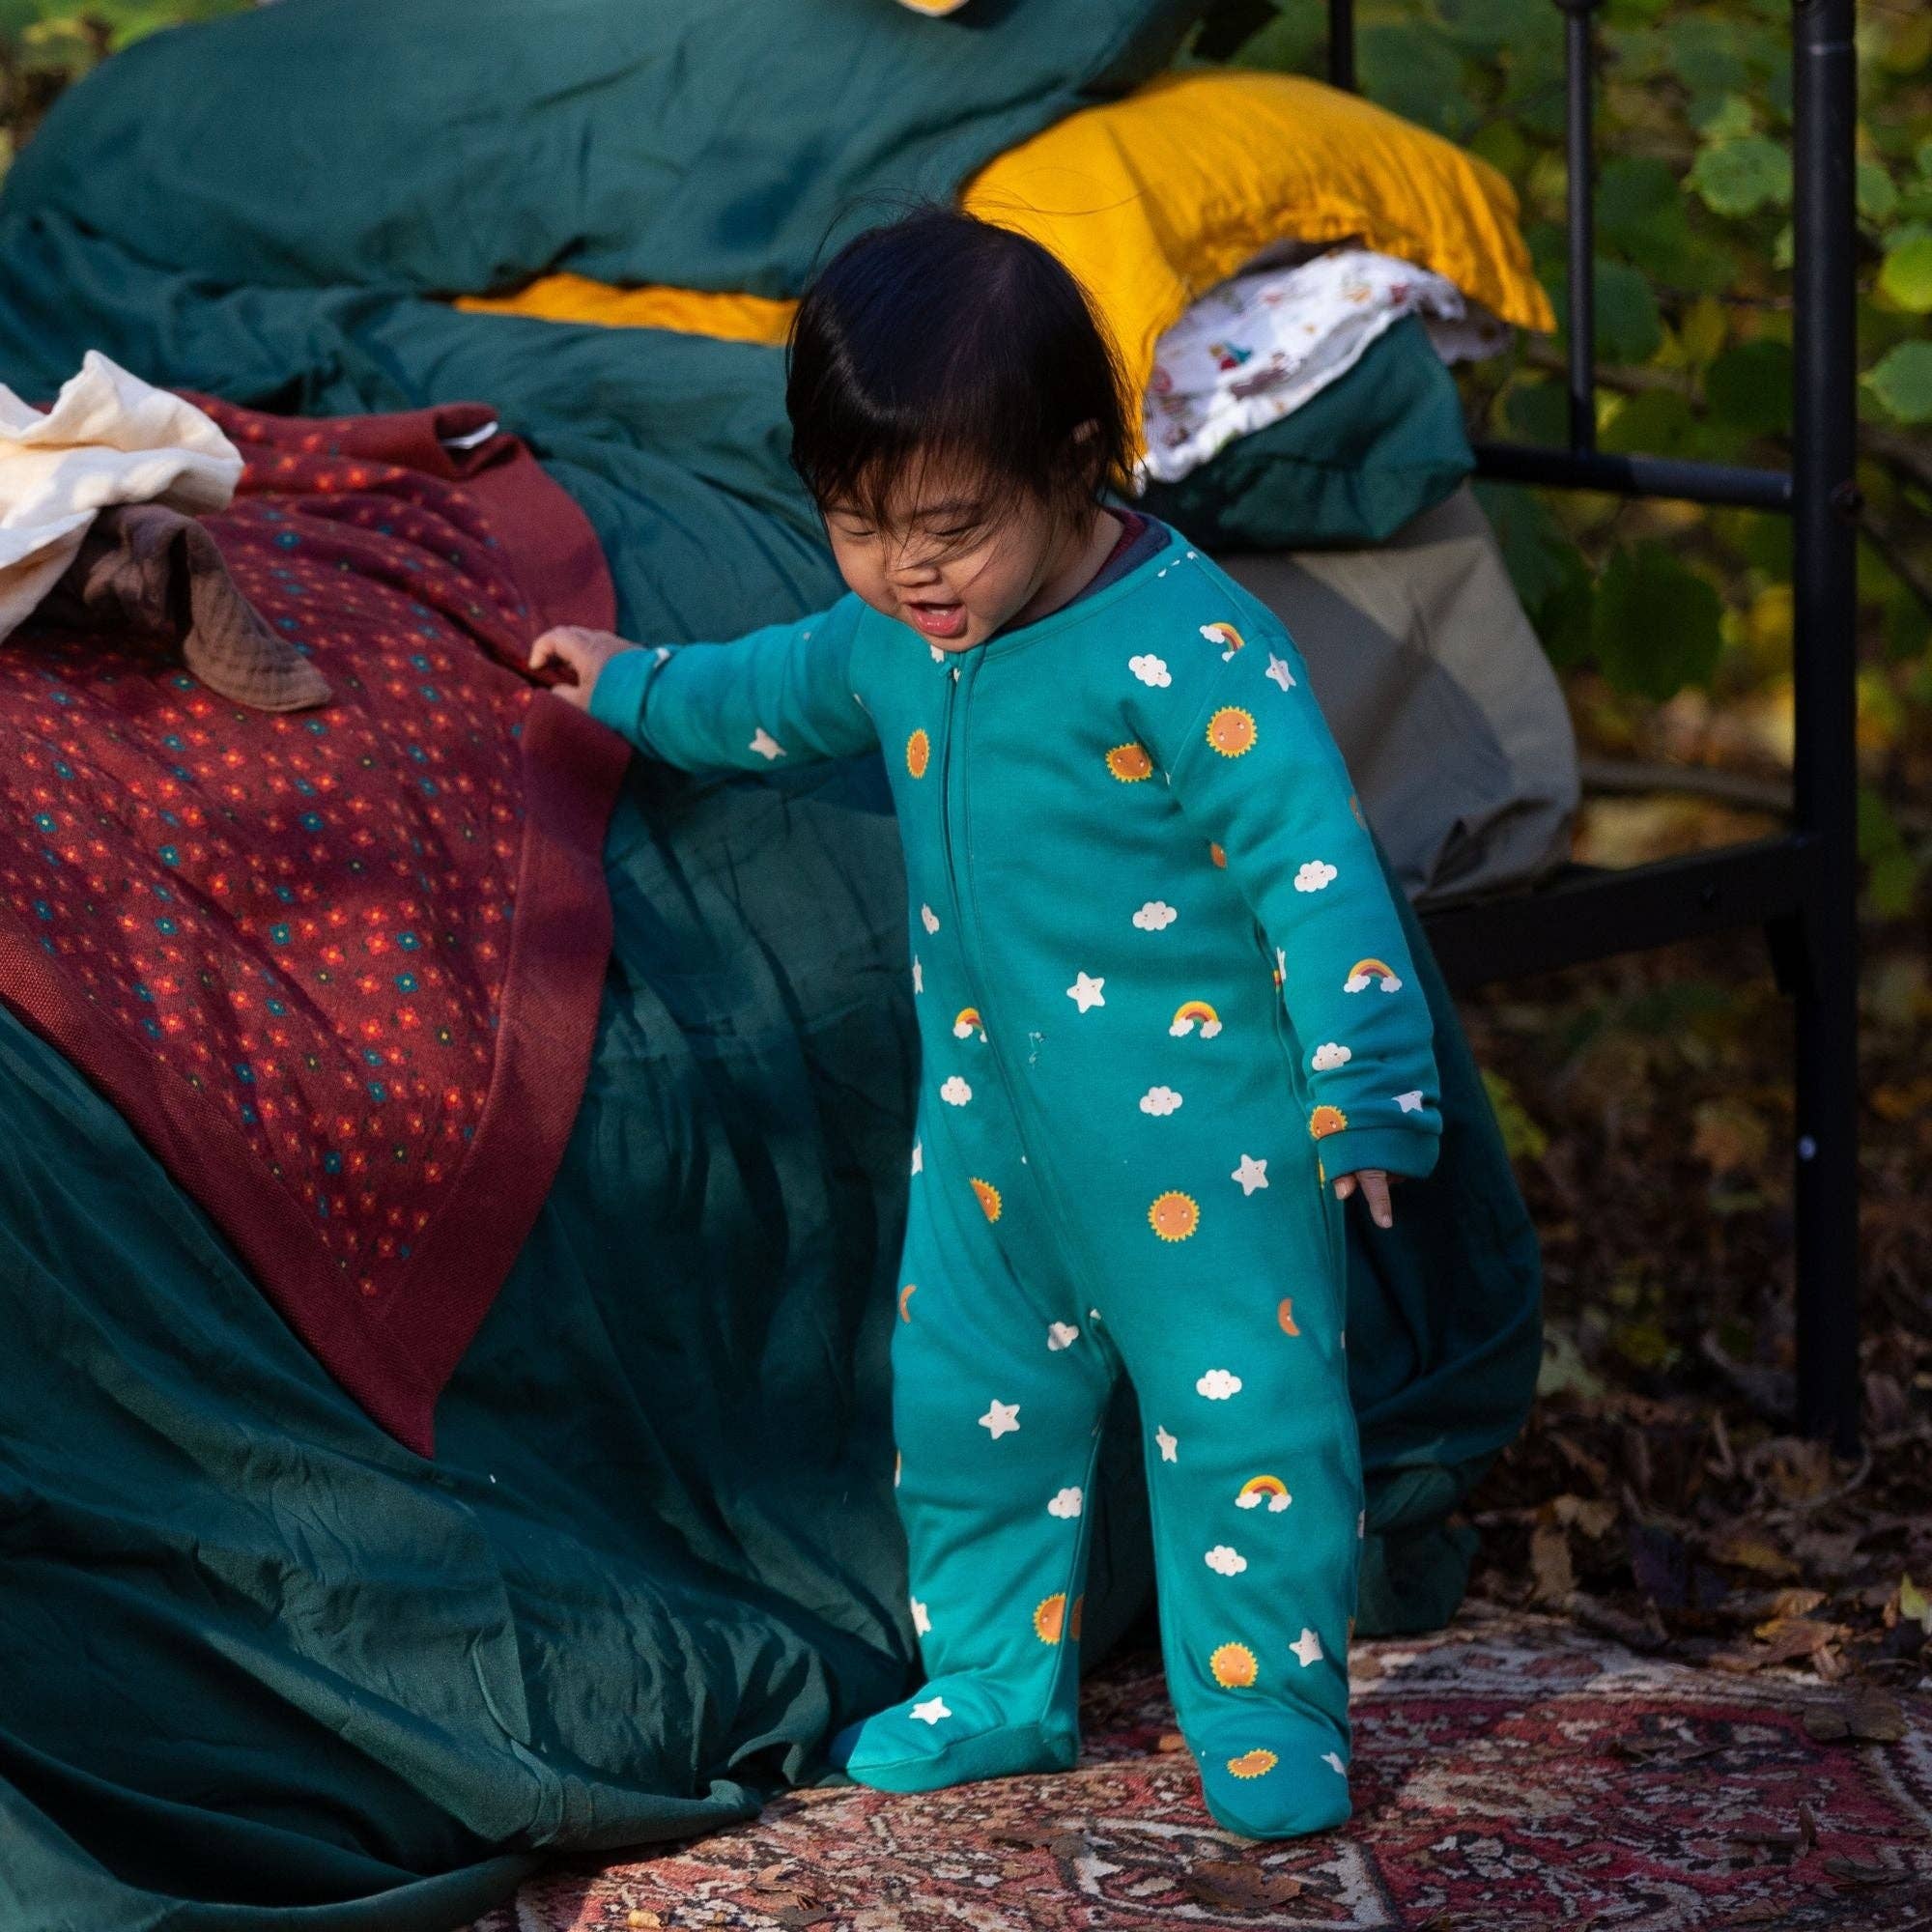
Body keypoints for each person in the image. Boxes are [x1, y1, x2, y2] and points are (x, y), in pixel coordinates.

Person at [529, 207, 1440, 1841]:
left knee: (1246, 1424)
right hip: (992, 1144)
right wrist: (629, 684)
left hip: (1205, 1152)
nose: (907, 571)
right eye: (859, 528)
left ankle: (1273, 1705)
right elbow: (769, 690)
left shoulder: (1190, 647)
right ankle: (994, 1689)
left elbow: (1317, 868)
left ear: (1079, 459)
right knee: (964, 1412)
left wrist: (1366, 1087)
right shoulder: (890, 637)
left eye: (950, 527)